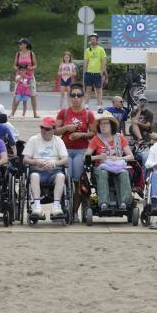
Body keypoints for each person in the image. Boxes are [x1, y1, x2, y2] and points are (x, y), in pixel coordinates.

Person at [55, 83, 96, 217]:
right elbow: (54, 131)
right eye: (73, 95)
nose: (76, 98)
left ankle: (75, 212)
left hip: (81, 150)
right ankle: (65, 208)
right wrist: (66, 128)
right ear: (69, 97)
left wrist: (81, 135)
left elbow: (94, 133)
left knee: (77, 180)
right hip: (65, 150)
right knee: (65, 180)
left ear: (83, 97)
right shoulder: (64, 112)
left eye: (79, 95)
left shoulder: (88, 114)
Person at [85, 112, 135, 212]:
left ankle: (124, 202)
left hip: (117, 166)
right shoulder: (96, 139)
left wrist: (119, 158)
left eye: (106, 123)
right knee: (103, 172)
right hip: (101, 166)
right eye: (101, 124)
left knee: (124, 173)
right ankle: (103, 203)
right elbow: (85, 157)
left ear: (111, 125)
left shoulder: (120, 138)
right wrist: (99, 157)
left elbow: (130, 156)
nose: (103, 126)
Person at [24, 117, 69, 217]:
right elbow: (25, 159)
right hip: (38, 171)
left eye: (47, 129)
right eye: (42, 127)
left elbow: (65, 159)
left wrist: (54, 164)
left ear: (54, 130)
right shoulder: (33, 139)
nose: (43, 130)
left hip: (54, 171)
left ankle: (56, 206)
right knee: (34, 176)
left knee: (61, 177)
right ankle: (37, 206)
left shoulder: (58, 141)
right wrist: (35, 161)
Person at [13, 38, 39, 118]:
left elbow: (35, 65)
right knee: (16, 94)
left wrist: (30, 68)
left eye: (20, 44)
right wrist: (18, 68)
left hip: (30, 76)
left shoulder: (31, 54)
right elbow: (14, 65)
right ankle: (12, 113)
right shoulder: (18, 54)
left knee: (33, 94)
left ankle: (35, 113)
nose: (19, 45)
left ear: (25, 45)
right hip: (20, 76)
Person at [83, 33, 107, 109]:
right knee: (88, 90)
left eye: (94, 39)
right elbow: (86, 61)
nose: (92, 40)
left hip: (97, 73)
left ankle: (99, 106)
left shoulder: (101, 49)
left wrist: (101, 72)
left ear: (97, 40)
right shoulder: (87, 50)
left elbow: (104, 61)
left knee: (98, 90)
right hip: (89, 73)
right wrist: (85, 72)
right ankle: (86, 105)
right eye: (91, 39)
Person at [129, 95, 154, 165]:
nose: (142, 103)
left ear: (147, 103)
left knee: (135, 123)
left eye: (144, 101)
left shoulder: (149, 113)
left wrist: (138, 123)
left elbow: (147, 126)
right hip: (135, 131)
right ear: (138, 102)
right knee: (134, 124)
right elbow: (133, 122)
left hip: (145, 131)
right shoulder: (134, 112)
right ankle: (140, 139)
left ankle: (140, 139)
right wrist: (139, 111)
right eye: (141, 101)